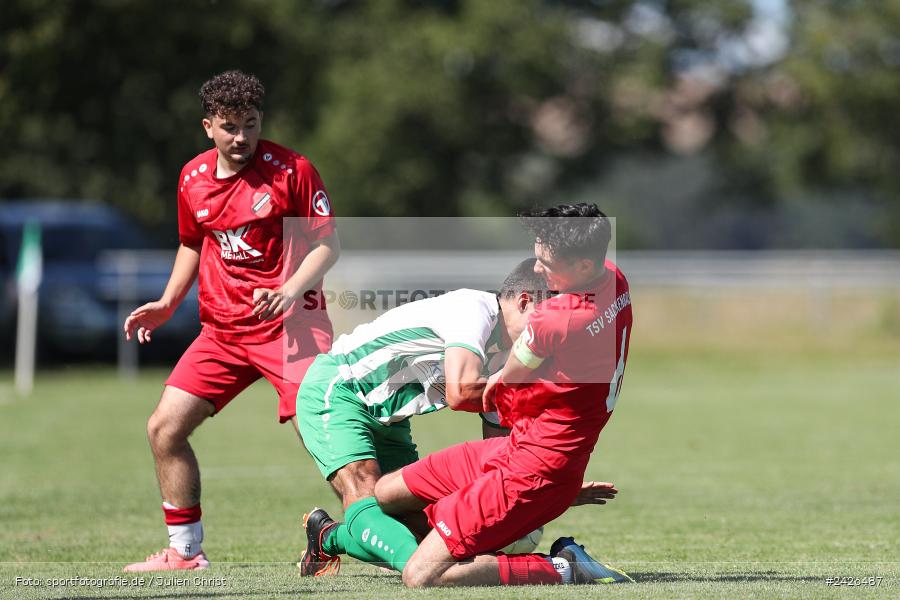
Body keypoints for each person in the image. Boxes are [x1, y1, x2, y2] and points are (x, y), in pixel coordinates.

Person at [122, 70, 340, 572]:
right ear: (208, 127)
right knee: (164, 429)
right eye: (229, 126)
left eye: (250, 124)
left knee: (333, 440)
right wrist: (167, 302)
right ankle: (184, 553)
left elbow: (327, 244)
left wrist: (289, 290)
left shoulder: (293, 170)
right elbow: (192, 242)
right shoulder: (192, 178)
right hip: (222, 333)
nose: (241, 137)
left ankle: (389, 539)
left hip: (291, 329)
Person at [371, 203, 635, 587]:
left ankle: (561, 568)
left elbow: (497, 384)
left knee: (421, 576)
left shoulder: (556, 319)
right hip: (520, 450)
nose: (538, 269)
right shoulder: (616, 280)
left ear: (581, 267)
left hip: (532, 473)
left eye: (546, 262)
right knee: (384, 493)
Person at [297, 259, 550, 576]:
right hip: (340, 387)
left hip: (390, 419)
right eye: (545, 322)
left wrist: (543, 486)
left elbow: (499, 456)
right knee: (370, 502)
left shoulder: (508, 358)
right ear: (524, 301)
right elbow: (460, 392)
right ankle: (426, 574)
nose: (547, 335)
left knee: (429, 530)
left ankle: (328, 535)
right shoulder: (474, 310)